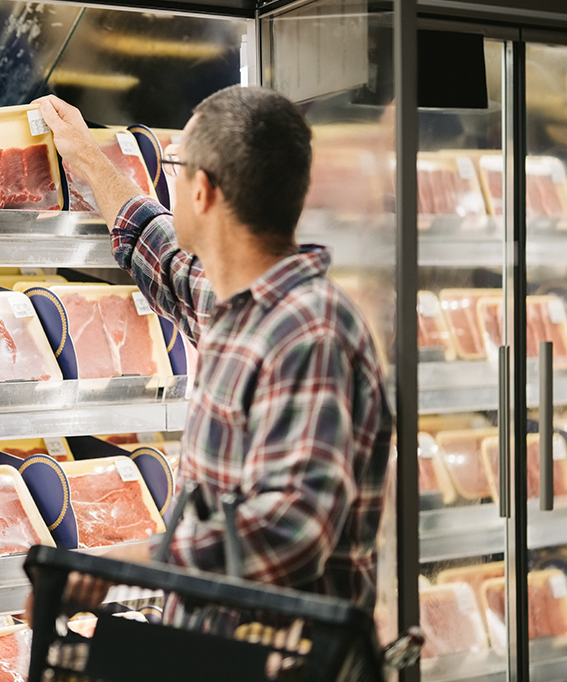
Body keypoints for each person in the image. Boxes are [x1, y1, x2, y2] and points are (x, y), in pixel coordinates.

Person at [30, 86, 392, 614]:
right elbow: (166, 258)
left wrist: (122, 565)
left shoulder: (308, 331)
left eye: (176, 167)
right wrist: (86, 158)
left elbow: (290, 530)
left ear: (201, 191)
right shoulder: (241, 304)